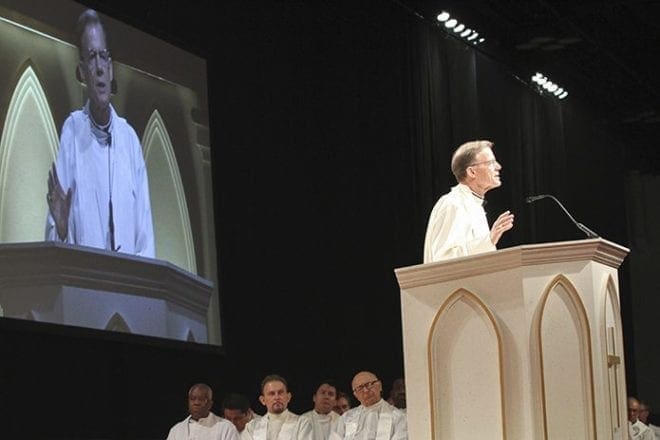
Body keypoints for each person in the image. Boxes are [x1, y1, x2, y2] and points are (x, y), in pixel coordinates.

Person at [45, 9, 155, 257]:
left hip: (128, 289)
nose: (99, 68)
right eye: (92, 57)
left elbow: (145, 237)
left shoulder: (129, 140)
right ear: (82, 72)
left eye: (103, 56)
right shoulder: (72, 131)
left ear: (111, 68)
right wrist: (61, 230)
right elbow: (58, 233)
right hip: (87, 287)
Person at [423, 140, 514, 263]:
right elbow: (442, 260)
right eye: (491, 163)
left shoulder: (474, 204)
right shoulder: (452, 204)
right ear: (471, 172)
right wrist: (488, 240)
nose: (498, 167)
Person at [330, 371, 407, 440]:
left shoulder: (398, 417)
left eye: (369, 385)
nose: (366, 390)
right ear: (355, 395)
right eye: (360, 388)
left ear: (380, 386)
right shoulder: (346, 418)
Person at [241, 374, 312, 440]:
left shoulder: (302, 423)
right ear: (263, 400)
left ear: (288, 397)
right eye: (271, 394)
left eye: (280, 392)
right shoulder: (252, 427)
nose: (277, 397)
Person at [166, 383, 240, 440]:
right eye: (192, 399)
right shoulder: (176, 430)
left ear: (210, 404)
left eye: (201, 399)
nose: (196, 403)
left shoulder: (226, 428)